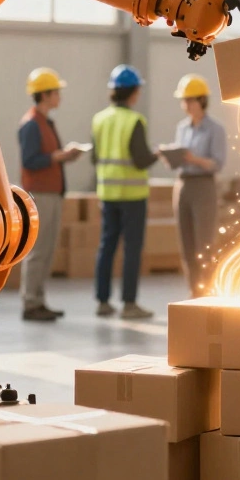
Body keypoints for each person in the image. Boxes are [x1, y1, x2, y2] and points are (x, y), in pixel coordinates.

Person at [91, 64, 159, 319]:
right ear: (133, 92)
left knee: (106, 247)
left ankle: (103, 301)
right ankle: (129, 304)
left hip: (107, 194)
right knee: (131, 249)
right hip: (132, 197)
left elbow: (95, 157)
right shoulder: (135, 121)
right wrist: (158, 154)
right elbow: (141, 160)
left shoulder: (99, 119)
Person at [17, 67, 84, 322]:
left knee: (46, 250)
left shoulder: (44, 122)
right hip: (40, 195)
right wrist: (62, 155)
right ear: (45, 94)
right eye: (57, 92)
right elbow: (31, 160)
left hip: (51, 193)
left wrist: (62, 156)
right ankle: (31, 302)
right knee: (38, 251)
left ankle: (38, 300)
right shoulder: (31, 125)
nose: (60, 97)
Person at [166, 74, 227, 296]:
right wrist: (171, 156)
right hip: (183, 186)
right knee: (187, 244)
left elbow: (217, 163)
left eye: (189, 100)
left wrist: (194, 159)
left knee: (205, 243)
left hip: (204, 187)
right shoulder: (182, 128)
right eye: (184, 100)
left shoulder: (215, 129)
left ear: (201, 100)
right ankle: (194, 290)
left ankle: (207, 289)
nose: (186, 105)